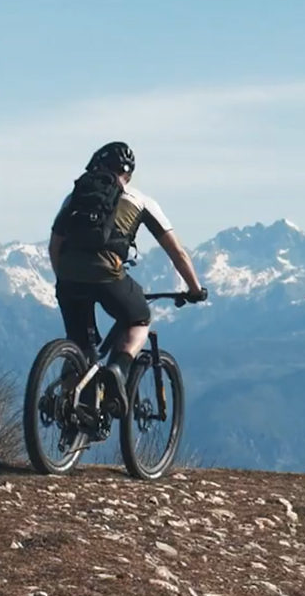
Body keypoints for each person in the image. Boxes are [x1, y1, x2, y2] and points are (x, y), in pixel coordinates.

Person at [49, 142, 207, 415]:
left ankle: (66, 406)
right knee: (139, 318)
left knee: (80, 345)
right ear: (129, 174)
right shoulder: (140, 200)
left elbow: (54, 247)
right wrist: (194, 289)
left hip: (67, 276)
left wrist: (63, 278)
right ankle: (118, 370)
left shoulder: (76, 197)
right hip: (107, 274)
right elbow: (177, 253)